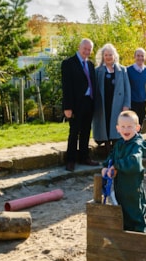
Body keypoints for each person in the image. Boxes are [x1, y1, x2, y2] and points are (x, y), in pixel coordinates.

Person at [101, 110, 146, 232]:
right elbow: (112, 156)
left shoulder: (137, 144)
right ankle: (127, 234)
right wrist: (106, 167)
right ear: (118, 128)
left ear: (137, 128)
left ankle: (140, 234)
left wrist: (117, 166)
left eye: (129, 126)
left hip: (132, 188)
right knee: (122, 211)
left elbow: (134, 161)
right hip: (120, 186)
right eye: (123, 126)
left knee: (135, 212)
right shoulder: (119, 144)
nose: (126, 129)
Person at [62, 38, 99, 172]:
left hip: (89, 102)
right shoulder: (68, 63)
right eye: (85, 49)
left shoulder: (90, 64)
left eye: (89, 49)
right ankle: (70, 160)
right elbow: (67, 87)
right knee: (74, 132)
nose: (87, 51)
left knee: (85, 131)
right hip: (75, 104)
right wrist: (67, 107)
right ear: (79, 47)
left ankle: (84, 157)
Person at [92, 43, 131, 154]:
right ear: (103, 56)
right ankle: (107, 148)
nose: (108, 57)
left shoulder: (122, 70)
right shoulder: (98, 71)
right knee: (105, 124)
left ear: (114, 56)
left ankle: (117, 150)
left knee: (117, 126)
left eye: (110, 54)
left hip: (118, 104)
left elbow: (127, 88)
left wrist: (126, 104)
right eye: (106, 55)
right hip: (104, 104)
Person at [127, 48, 146, 126]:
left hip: (142, 101)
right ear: (134, 56)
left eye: (142, 56)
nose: (140, 58)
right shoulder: (128, 70)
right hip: (132, 102)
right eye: (138, 56)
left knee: (140, 124)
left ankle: (137, 138)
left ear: (145, 57)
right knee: (131, 124)